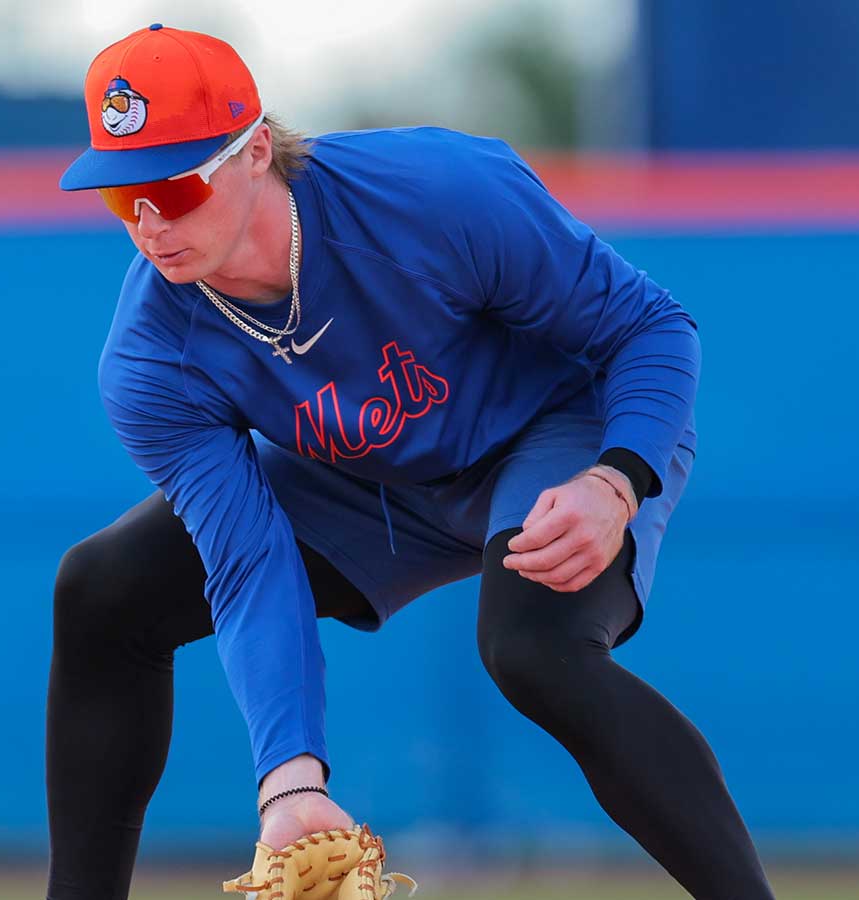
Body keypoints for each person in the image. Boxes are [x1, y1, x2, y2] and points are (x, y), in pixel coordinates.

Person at [47, 23, 775, 900]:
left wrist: (616, 481)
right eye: (123, 197)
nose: (152, 222)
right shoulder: (150, 360)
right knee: (102, 587)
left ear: (254, 152)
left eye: (172, 182)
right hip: (370, 485)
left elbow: (649, 329)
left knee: (533, 651)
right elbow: (246, 562)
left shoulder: (437, 194)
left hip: (556, 431)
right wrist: (292, 781)